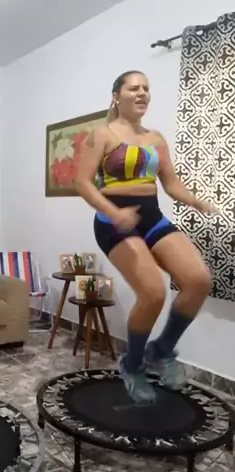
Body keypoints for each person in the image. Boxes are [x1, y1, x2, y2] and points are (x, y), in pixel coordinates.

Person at [77, 70, 215, 404]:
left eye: (146, 88)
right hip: (113, 220)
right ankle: (133, 364)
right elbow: (82, 183)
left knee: (198, 280)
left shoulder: (156, 138)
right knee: (153, 292)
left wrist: (195, 200)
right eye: (134, 88)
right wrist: (113, 212)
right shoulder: (102, 134)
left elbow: (171, 183)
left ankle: (161, 350)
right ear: (116, 96)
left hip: (151, 216)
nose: (142, 93)